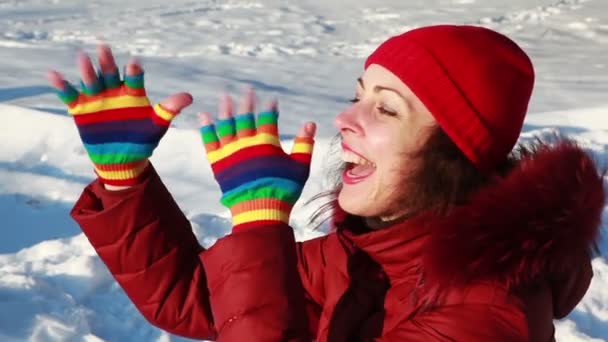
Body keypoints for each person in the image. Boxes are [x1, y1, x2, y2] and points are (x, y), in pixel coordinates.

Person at [47, 24, 605, 341]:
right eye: (357, 95)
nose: (346, 118)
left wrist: (263, 227)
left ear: (451, 155)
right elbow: (198, 299)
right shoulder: (369, 249)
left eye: (385, 110)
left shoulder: (486, 315)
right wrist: (126, 184)